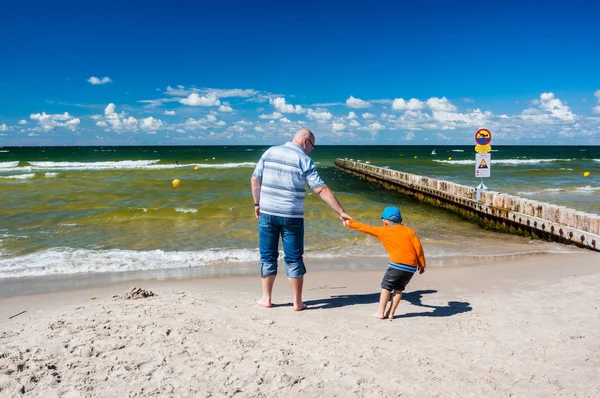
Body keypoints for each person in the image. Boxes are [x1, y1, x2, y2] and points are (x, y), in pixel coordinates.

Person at [251, 128, 352, 311]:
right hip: (292, 215)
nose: (312, 149)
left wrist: (257, 204)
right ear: (306, 141)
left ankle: (266, 298)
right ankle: (297, 302)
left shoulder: (270, 151)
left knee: (267, 256)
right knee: (294, 258)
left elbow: (255, 179)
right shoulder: (304, 159)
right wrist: (340, 211)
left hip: (267, 213)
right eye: (312, 145)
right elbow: (320, 189)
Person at [342, 206, 426, 319]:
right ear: (400, 220)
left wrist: (349, 223)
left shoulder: (383, 230)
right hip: (411, 267)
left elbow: (365, 228)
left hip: (396, 265)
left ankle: (381, 312)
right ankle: (390, 314)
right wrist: (422, 264)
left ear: (385, 221)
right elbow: (418, 248)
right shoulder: (409, 231)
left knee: (386, 287)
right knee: (399, 289)